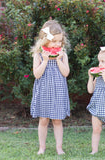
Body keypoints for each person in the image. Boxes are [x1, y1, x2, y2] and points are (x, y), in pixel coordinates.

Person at [30, 19, 70, 155]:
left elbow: (65, 73)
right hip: (44, 91)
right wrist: (45, 61)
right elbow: (37, 74)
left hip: (58, 91)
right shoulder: (39, 55)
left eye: (59, 41)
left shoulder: (63, 54)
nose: (57, 44)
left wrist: (59, 60)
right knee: (43, 120)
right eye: (54, 41)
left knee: (57, 120)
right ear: (44, 41)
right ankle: (42, 147)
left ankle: (59, 147)